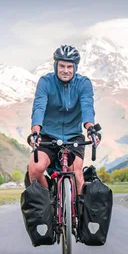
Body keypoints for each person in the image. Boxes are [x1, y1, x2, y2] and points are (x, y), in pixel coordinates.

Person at [26, 44, 100, 197]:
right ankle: (48, 200)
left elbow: (87, 107)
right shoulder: (46, 82)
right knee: (34, 169)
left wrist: (91, 129)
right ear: (55, 65)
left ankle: (79, 214)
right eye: (61, 66)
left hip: (73, 136)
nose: (65, 70)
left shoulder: (83, 84)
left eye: (69, 66)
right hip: (48, 136)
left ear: (75, 68)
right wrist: (35, 132)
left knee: (76, 174)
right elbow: (39, 107)